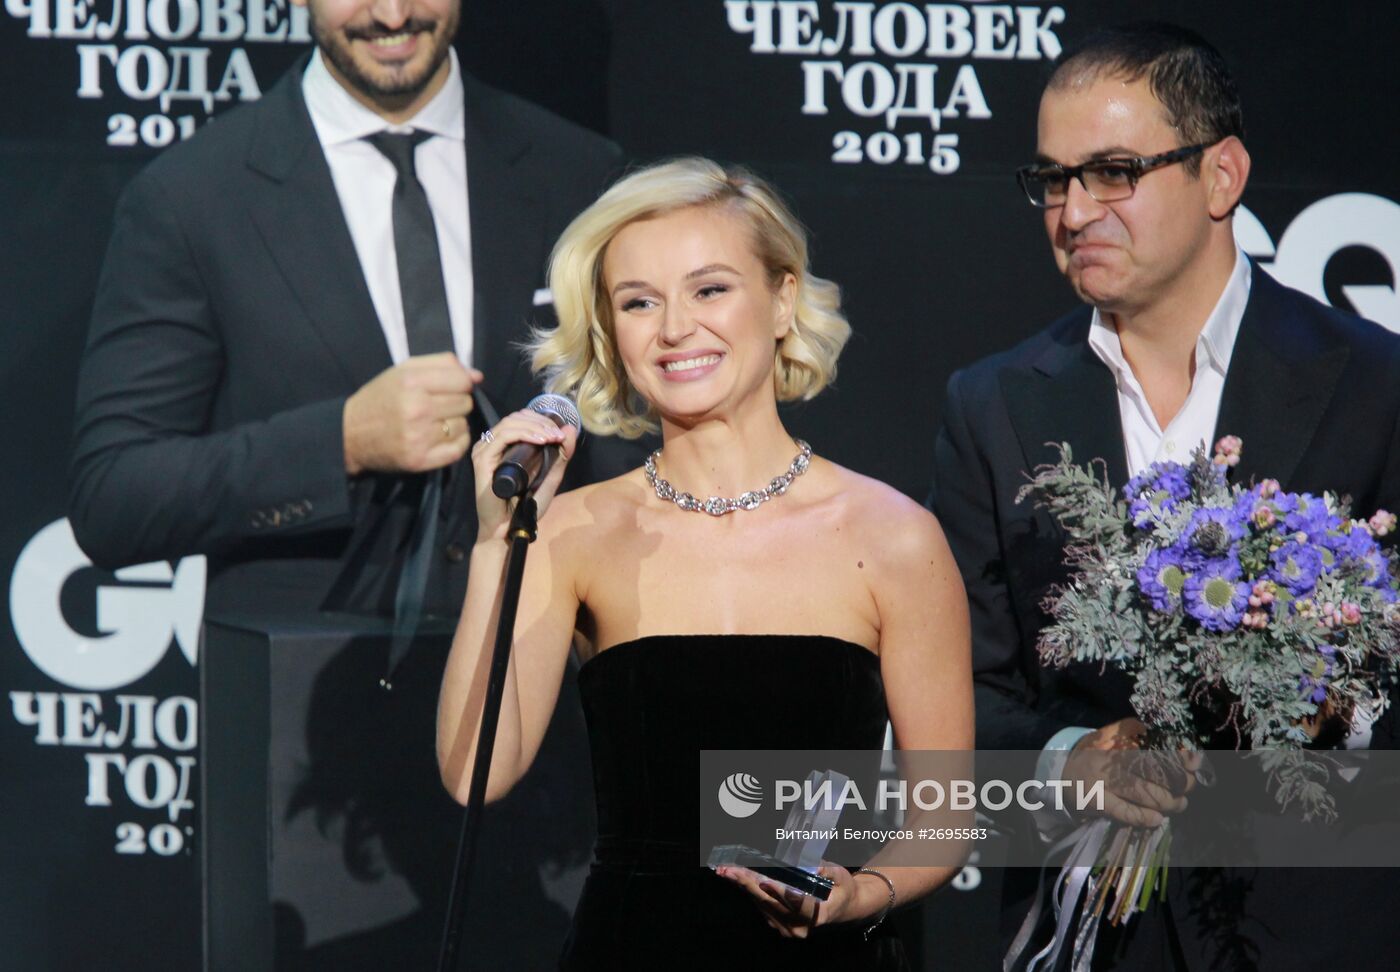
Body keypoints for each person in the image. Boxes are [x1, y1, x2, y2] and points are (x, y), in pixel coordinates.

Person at [928, 22, 1400, 972]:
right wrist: (1070, 760)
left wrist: (1332, 712)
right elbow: (956, 694)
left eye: (1113, 172)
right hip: (1091, 931)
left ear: (1221, 176)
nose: (1073, 212)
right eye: (1052, 180)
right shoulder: (993, 404)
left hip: (1323, 927)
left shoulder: (1377, 387)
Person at [437, 157, 974, 970]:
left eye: (709, 289)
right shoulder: (573, 530)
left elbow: (944, 819)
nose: (675, 329)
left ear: (782, 299)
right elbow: (474, 774)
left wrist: (858, 895)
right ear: (610, 331)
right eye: (638, 302)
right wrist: (494, 543)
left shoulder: (892, 536)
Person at [68, 0, 641, 617]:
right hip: (306, 666)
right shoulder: (191, 197)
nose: (392, 15)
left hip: (542, 646)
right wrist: (340, 442)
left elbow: (635, 434)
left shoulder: (577, 171)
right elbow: (113, 500)